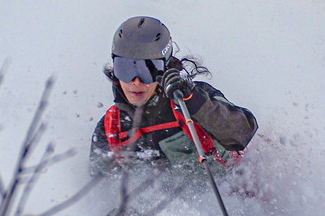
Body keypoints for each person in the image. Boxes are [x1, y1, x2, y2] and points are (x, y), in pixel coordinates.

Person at [90, 16, 258, 176]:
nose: (136, 81)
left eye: (147, 70)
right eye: (125, 69)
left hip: (238, 192)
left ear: (165, 69)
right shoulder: (111, 128)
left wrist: (193, 101)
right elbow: (103, 190)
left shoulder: (194, 99)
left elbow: (243, 133)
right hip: (174, 203)